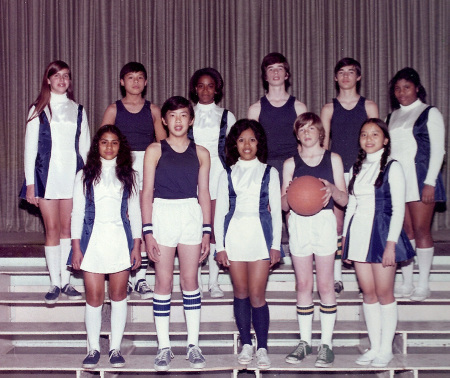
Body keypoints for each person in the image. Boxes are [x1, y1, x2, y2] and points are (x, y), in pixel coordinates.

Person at [141, 96, 211, 372]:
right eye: (173, 115)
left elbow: (204, 193)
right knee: (163, 281)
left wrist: (207, 230)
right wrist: (148, 232)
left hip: (190, 214)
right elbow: (146, 193)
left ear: (191, 120)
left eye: (183, 115)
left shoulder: (202, 152)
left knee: (190, 279)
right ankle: (164, 346)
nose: (178, 120)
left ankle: (193, 344)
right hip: (162, 214)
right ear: (165, 120)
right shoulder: (154, 150)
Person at [342, 119, 415, 367]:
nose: (369, 138)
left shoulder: (393, 167)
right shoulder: (356, 168)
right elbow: (351, 205)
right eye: (364, 134)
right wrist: (345, 240)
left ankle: (387, 349)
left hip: (384, 234)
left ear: (385, 139)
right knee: (369, 293)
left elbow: (397, 210)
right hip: (359, 235)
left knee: (384, 293)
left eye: (375, 134)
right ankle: (374, 347)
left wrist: (391, 244)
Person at [69, 125, 142, 369]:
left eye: (113, 142)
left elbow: (135, 213)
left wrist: (136, 246)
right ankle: (92, 348)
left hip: (120, 241)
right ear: (96, 146)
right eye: (103, 142)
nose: (109, 147)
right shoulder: (83, 175)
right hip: (93, 241)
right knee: (94, 296)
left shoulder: (130, 175)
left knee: (119, 295)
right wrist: (76, 247)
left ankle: (115, 348)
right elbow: (77, 214)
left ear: (120, 146)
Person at [20, 60, 90, 304]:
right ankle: (54, 283)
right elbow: (30, 149)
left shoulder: (78, 109)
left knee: (68, 230)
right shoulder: (38, 109)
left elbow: (85, 148)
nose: (62, 79)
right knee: (51, 229)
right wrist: (31, 183)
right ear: (48, 79)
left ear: (70, 81)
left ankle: (66, 281)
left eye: (66, 76)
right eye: (57, 75)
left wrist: (87, 179)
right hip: (46, 178)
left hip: (72, 177)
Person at [215, 119, 282, 370]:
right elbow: (220, 212)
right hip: (235, 237)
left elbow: (276, 212)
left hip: (260, 238)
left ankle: (262, 346)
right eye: (241, 139)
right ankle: (246, 343)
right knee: (240, 293)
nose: (246, 144)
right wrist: (220, 246)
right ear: (235, 143)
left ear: (259, 143)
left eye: (252, 139)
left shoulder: (269, 172)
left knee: (257, 295)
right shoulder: (227, 173)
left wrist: (275, 244)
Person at [282, 113, 348, 368]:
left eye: (312, 128)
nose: (307, 132)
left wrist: (332, 190)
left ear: (321, 133)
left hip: (324, 222)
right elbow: (281, 204)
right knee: (303, 284)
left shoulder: (333, 159)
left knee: (326, 284)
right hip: (299, 223)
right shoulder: (290, 163)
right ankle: (305, 341)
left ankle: (326, 344)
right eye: (302, 129)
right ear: (297, 134)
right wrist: (293, 194)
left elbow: (343, 199)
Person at [101, 62, 165, 300]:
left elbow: (162, 146)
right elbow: (102, 142)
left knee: (145, 218)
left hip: (147, 166)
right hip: (121, 167)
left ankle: (141, 279)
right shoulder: (113, 109)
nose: (135, 82)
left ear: (146, 83)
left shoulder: (154, 110)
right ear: (122, 82)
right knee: (123, 218)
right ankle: (124, 276)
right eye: (130, 77)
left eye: (140, 78)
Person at [386, 68, 446, 301]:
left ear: (417, 88)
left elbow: (438, 150)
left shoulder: (429, 113)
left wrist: (430, 182)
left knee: (421, 230)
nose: (401, 93)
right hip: (398, 181)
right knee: (404, 231)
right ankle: (407, 281)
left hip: (420, 179)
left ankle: (423, 283)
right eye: (397, 89)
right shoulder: (391, 117)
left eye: (407, 87)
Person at [320, 57, 379, 296]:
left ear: (359, 77)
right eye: (341, 72)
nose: (346, 76)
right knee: (337, 223)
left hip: (363, 171)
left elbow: (376, 139)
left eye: (351, 72)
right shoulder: (329, 108)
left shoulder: (369, 106)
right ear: (335, 78)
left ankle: (363, 270)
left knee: (361, 221)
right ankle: (337, 277)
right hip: (337, 170)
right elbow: (323, 144)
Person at [188, 67, 237, 298]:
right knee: (196, 229)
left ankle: (214, 281)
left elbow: (234, 150)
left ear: (217, 89)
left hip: (218, 173)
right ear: (194, 89)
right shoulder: (187, 113)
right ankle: (194, 281)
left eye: (210, 85)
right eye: (200, 85)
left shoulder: (227, 116)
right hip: (193, 173)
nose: (205, 90)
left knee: (216, 228)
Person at [248, 52, 307, 178]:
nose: (275, 73)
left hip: (294, 164)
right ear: (265, 76)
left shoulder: (299, 107)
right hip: (265, 165)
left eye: (280, 68)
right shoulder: (255, 109)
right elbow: (252, 145)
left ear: (286, 75)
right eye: (271, 69)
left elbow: (305, 142)